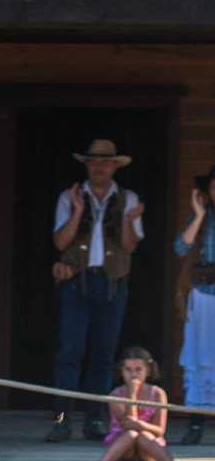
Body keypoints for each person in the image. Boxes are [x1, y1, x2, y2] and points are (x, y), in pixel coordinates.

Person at [50, 139, 145, 443]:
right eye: (93, 161)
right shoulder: (70, 196)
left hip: (112, 285)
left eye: (105, 162)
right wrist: (78, 210)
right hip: (77, 283)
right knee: (70, 354)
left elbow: (130, 246)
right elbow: (61, 243)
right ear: (87, 165)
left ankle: (95, 421)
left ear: (115, 166)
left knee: (103, 357)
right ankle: (62, 421)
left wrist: (129, 221)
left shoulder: (128, 199)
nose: (99, 166)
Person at [81, 347, 194, 461]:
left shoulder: (158, 394)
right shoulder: (115, 395)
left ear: (147, 371)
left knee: (141, 435)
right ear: (122, 371)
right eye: (128, 369)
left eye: (138, 369)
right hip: (123, 448)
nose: (133, 374)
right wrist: (132, 395)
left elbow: (159, 430)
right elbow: (127, 424)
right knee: (131, 434)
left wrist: (140, 425)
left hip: (148, 449)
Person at [173, 163, 215, 445]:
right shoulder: (203, 215)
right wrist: (199, 214)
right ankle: (197, 422)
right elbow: (181, 246)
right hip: (203, 293)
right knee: (199, 357)